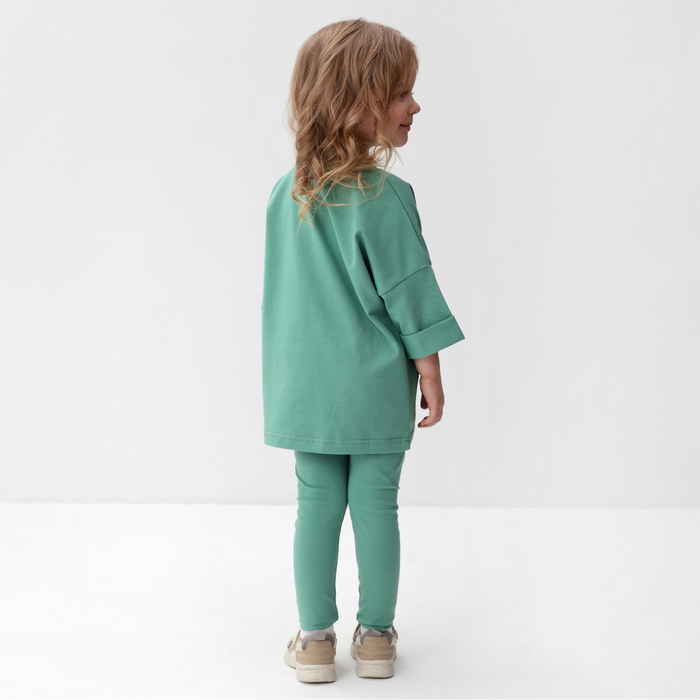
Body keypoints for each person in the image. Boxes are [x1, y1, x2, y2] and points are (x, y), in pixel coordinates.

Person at [262, 18, 465, 683]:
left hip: (304, 384)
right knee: (377, 504)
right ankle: (376, 640)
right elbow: (410, 291)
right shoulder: (388, 196)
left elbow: (284, 296)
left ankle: (315, 642)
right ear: (359, 101)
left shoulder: (286, 195)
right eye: (402, 93)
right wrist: (430, 371)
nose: (415, 106)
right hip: (375, 382)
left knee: (315, 507)